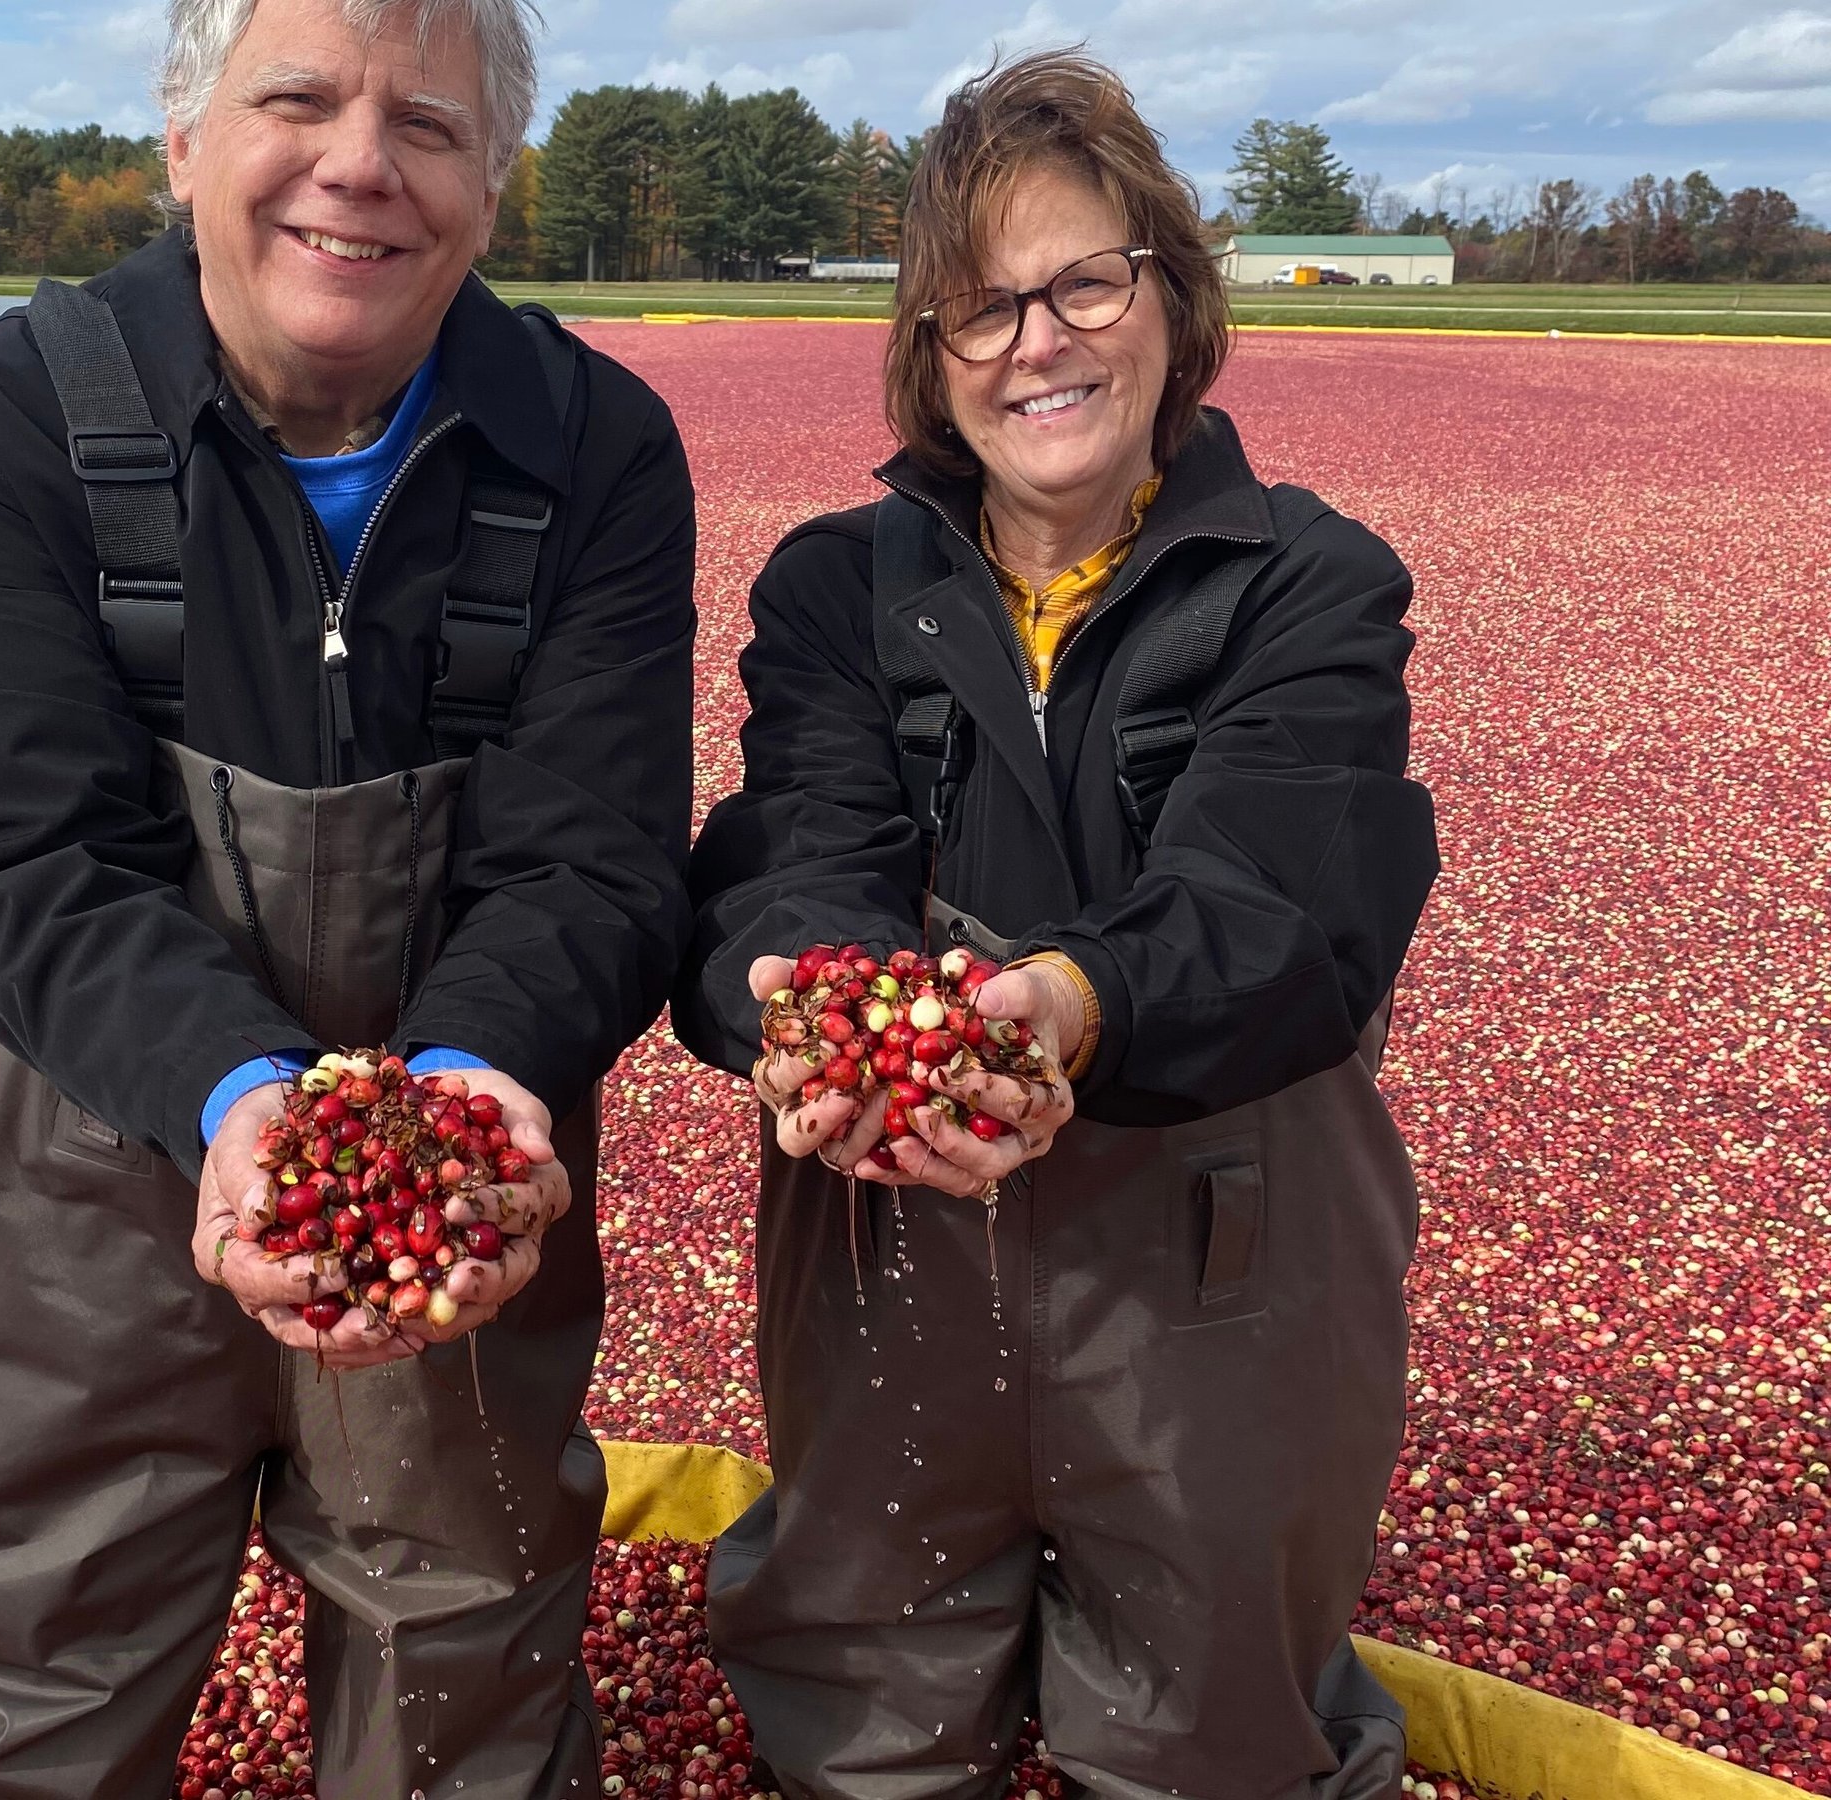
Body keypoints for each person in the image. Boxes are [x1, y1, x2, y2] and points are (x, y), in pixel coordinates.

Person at [0, 0, 697, 1791]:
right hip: (101, 1160)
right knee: (33, 1664)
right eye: (298, 99)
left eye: (430, 124)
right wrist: (246, 1100)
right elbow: (23, 859)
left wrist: (462, 1090)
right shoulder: (2, 418)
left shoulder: (596, 447)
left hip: (463, 1195)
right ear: (183, 145)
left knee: (460, 1680)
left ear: (491, 189)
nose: (360, 165)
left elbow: (597, 856)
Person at [673, 49, 1438, 1800]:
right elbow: (794, 851)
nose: (1039, 342)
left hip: (1211, 1248)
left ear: (1172, 295)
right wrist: (792, 998)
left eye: (1086, 279)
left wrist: (1070, 1002)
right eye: (980, 307)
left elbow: (1284, 904)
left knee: (1207, 1712)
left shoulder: (1308, 586)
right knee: (863, 1674)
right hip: (886, 1231)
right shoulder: (838, 588)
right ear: (932, 359)